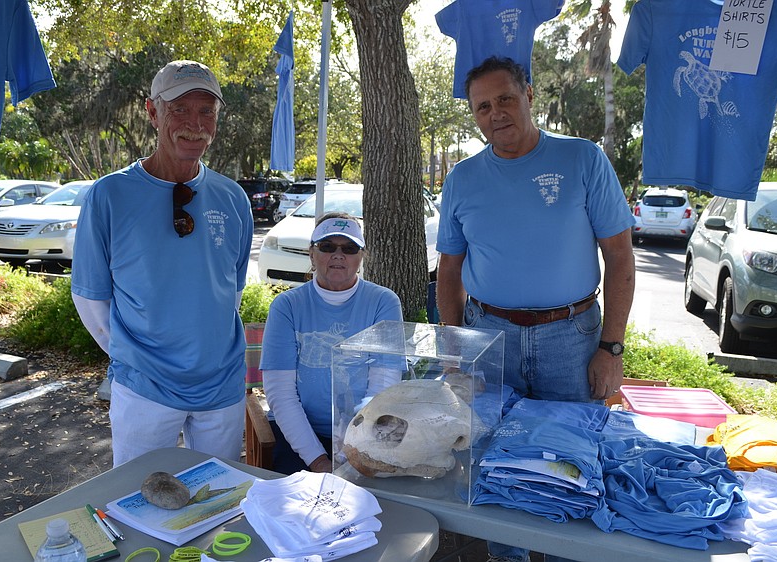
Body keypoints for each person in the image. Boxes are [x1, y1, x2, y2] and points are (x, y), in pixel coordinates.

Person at [436, 56, 636, 562]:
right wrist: (454, 346)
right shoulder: (461, 179)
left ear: (529, 94)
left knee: (571, 464)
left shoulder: (583, 159)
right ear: (475, 115)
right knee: (495, 465)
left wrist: (611, 347)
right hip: (488, 337)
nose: (496, 113)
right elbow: (450, 270)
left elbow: (619, 255)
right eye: (483, 107)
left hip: (570, 338)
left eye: (505, 98)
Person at [71, 60, 254, 467]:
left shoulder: (233, 198)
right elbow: (90, 298)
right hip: (144, 389)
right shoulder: (109, 196)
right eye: (180, 109)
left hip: (220, 389)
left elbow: (231, 291)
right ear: (153, 113)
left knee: (216, 503)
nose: (196, 123)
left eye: (207, 110)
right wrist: (135, 359)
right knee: (137, 502)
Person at [260, 212, 403, 474]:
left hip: (366, 433)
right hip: (303, 435)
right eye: (327, 246)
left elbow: (384, 386)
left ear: (361, 257)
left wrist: (357, 450)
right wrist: (318, 461)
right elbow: (281, 394)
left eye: (349, 248)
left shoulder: (384, 302)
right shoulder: (287, 306)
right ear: (311, 254)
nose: (339, 255)